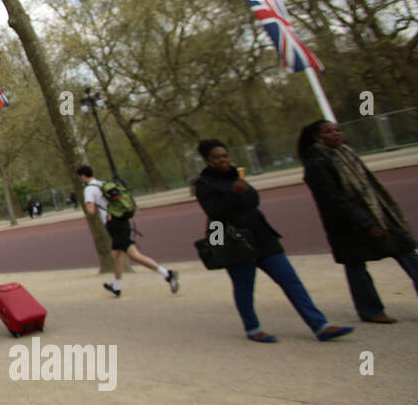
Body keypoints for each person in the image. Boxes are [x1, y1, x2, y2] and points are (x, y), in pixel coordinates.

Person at [194, 138, 354, 343]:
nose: (223, 160)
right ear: (208, 160)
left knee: (291, 281)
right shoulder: (204, 184)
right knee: (244, 287)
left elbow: (254, 200)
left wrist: (240, 192)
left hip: (262, 237)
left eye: (225, 156)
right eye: (217, 157)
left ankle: (320, 325)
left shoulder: (237, 175)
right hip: (235, 242)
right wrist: (234, 195)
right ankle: (252, 328)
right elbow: (215, 213)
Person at [299, 119, 417, 323]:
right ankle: (370, 310)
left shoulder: (346, 153)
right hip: (348, 223)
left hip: (377, 213)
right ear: (317, 137)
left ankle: (370, 309)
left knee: (407, 252)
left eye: (337, 130)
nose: (336, 134)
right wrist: (366, 224)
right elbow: (333, 199)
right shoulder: (316, 163)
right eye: (329, 131)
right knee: (356, 266)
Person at [78, 165, 179, 298]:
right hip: (122, 219)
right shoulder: (102, 184)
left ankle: (167, 274)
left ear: (82, 176)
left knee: (133, 255)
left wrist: (89, 206)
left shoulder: (89, 190)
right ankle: (116, 286)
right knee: (117, 256)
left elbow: (91, 211)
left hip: (113, 223)